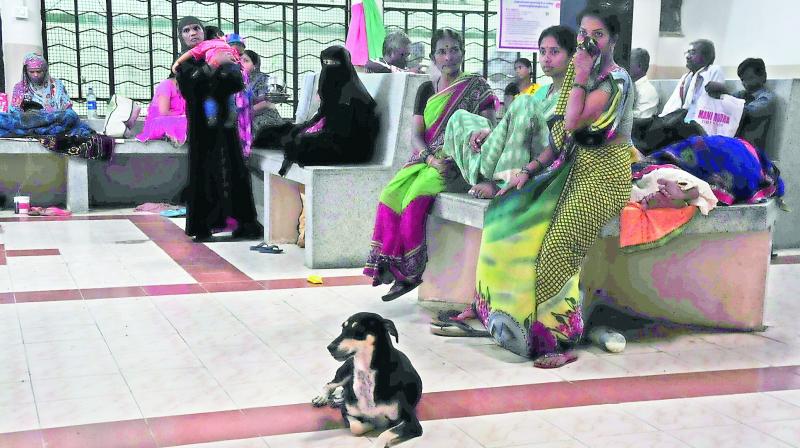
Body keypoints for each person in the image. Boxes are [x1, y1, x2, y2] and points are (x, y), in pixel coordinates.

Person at [435, 6, 635, 369]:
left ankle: (557, 339)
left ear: (614, 41)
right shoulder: (579, 72)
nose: (588, 42)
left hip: (604, 176)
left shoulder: (615, 80)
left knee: (557, 249)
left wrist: (581, 74)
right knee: (505, 218)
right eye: (584, 34)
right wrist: (527, 171)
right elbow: (558, 138)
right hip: (565, 169)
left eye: (599, 35)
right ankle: (497, 315)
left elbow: (575, 123)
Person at [363, 29, 497, 302]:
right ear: (434, 56)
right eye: (442, 51)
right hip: (427, 159)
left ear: (463, 50)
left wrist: (462, 151)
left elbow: (489, 127)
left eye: (454, 49)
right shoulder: (426, 89)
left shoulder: (477, 87)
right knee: (390, 195)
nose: (448, 56)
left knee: (415, 198)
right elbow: (415, 135)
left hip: (457, 164)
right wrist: (429, 158)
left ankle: (411, 272)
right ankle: (388, 262)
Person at [441, 25, 577, 199]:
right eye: (543, 52)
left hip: (540, 162)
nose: (546, 59)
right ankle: (474, 173)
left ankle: (501, 184)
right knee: (461, 117)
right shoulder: (542, 92)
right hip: (511, 155)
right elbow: (515, 127)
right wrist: (488, 133)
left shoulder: (575, 94)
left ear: (572, 56)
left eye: (554, 52)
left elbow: (560, 139)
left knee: (524, 102)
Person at [173, 16, 261, 242]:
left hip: (226, 124)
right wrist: (212, 66)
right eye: (186, 31)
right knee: (204, 173)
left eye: (197, 28)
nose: (193, 33)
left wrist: (222, 67)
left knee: (234, 171)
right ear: (181, 36)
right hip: (202, 127)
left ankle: (244, 224)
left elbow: (236, 83)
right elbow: (191, 89)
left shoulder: (221, 52)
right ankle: (202, 227)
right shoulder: (184, 64)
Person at [254, 45, 379, 176]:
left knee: (299, 144)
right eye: (325, 63)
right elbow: (321, 116)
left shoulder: (355, 95)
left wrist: (306, 137)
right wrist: (300, 129)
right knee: (270, 132)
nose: (328, 68)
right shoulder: (333, 90)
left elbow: (344, 133)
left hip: (348, 146)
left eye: (332, 63)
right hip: (327, 135)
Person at [172, 25, 240, 129]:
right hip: (230, 68)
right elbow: (235, 56)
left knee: (209, 95)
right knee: (229, 95)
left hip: (216, 70)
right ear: (219, 35)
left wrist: (177, 62)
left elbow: (189, 53)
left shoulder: (204, 45)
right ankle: (232, 113)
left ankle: (211, 116)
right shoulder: (226, 44)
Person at [659, 39, 725, 121]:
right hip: (678, 122)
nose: (688, 56)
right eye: (687, 52)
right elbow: (672, 104)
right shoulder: (686, 78)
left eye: (693, 53)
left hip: (698, 125)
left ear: (706, 57)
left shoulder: (713, 71)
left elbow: (714, 106)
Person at [731, 58, 776, 151]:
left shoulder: (767, 98)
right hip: (735, 147)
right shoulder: (741, 94)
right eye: (743, 79)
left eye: (750, 78)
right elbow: (725, 102)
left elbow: (745, 112)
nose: (746, 83)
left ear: (763, 77)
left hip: (751, 153)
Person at [240, 49, 286, 137]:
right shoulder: (236, 79)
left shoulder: (262, 79)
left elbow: (267, 103)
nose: (241, 63)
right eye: (240, 60)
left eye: (246, 61)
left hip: (263, 116)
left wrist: (246, 113)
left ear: (255, 65)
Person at [136, 73, 187, 145]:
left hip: (179, 120)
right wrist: (182, 114)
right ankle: (173, 135)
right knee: (183, 121)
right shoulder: (166, 85)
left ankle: (176, 136)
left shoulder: (187, 87)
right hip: (158, 122)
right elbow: (164, 112)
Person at [630, 48, 659, 120]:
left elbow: (641, 120)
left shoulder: (648, 91)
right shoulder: (627, 85)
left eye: (629, 62)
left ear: (639, 66)